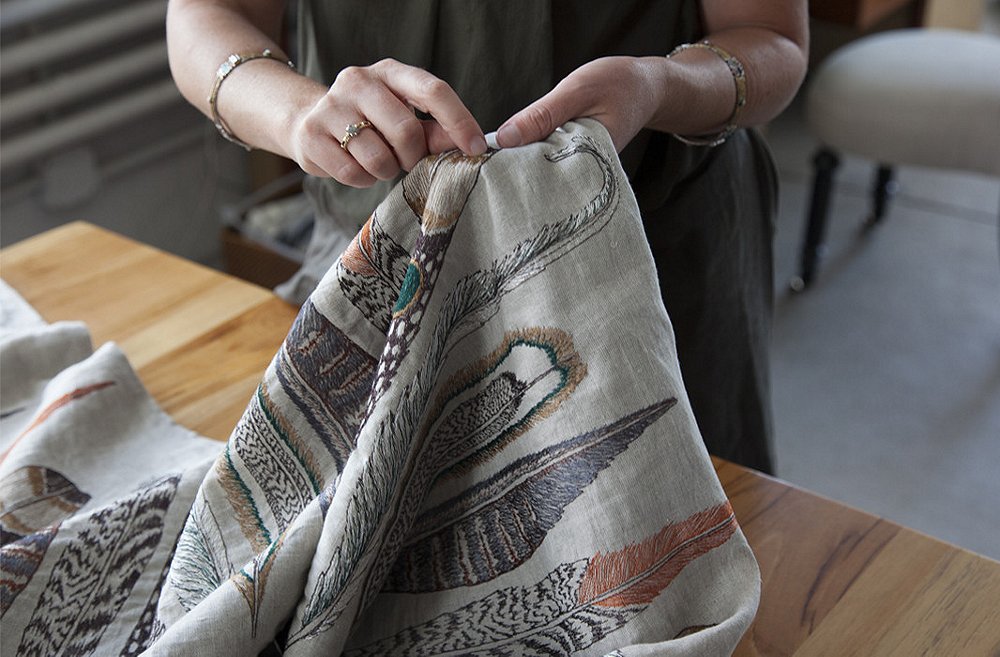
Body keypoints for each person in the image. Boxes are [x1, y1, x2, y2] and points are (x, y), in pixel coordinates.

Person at [166, 1, 808, 474]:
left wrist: (661, 85)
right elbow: (206, 17)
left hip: (655, 256)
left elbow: (772, 39)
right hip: (378, 260)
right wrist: (294, 111)